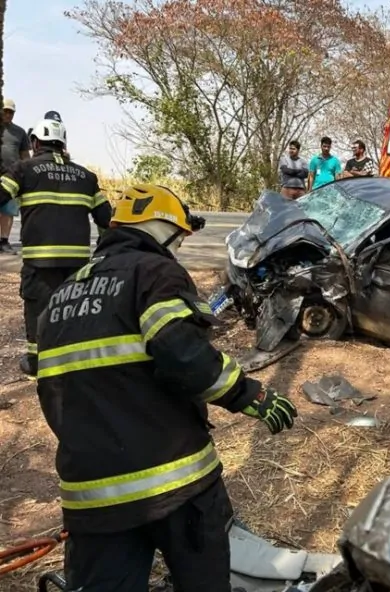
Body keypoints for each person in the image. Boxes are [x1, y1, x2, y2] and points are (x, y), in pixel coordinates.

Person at [35, 183, 297, 592]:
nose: (178, 248)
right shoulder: (153, 272)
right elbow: (183, 354)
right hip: (175, 483)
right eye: (179, 238)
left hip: (92, 495)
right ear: (162, 228)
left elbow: (51, 392)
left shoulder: (61, 297)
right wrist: (250, 395)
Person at [0, 118, 110, 376]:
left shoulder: (23, 169)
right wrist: (105, 252)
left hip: (40, 261)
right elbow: (107, 219)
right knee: (73, 309)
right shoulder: (86, 176)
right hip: (77, 264)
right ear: (63, 144)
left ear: (35, 143)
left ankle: (37, 362)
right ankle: (74, 362)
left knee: (38, 308)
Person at [1, 98, 31, 254]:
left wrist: (29, 171)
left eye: (10, 112)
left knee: (8, 209)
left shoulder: (20, 132)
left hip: (12, 176)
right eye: (5, 111)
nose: (7, 114)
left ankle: (3, 241)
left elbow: (25, 155)